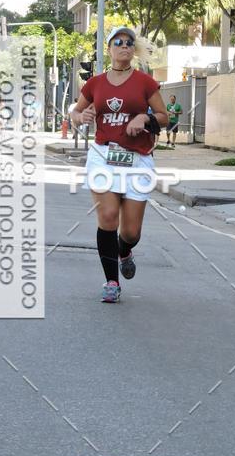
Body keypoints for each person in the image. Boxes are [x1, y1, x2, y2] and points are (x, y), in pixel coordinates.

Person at [70, 27, 168, 303]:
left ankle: (125, 251)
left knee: (130, 232)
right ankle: (111, 281)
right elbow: (76, 111)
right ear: (109, 48)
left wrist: (145, 119)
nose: (124, 46)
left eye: (128, 42)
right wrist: (81, 116)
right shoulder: (95, 84)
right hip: (104, 156)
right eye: (118, 42)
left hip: (137, 159)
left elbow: (164, 116)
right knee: (109, 216)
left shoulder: (145, 82)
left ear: (132, 49)